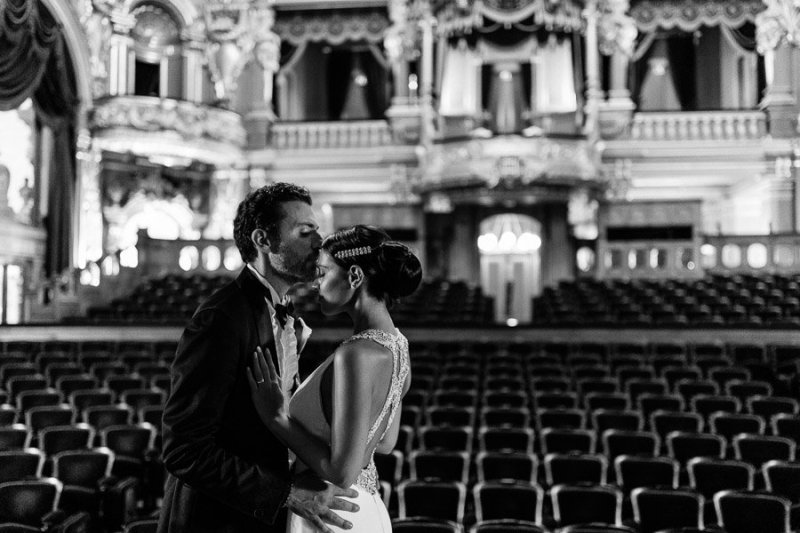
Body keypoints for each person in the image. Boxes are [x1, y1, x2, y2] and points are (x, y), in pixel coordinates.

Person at [158, 183, 359, 533]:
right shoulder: (221, 317)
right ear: (264, 241)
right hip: (214, 521)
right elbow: (184, 449)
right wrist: (283, 494)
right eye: (304, 232)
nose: (319, 243)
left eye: (317, 231)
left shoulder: (283, 311)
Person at [248, 224, 422, 532]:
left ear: (354, 276)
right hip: (365, 509)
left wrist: (277, 418)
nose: (315, 284)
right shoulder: (399, 346)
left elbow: (342, 472)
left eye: (322, 272)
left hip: (331, 511)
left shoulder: (355, 353)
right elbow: (383, 444)